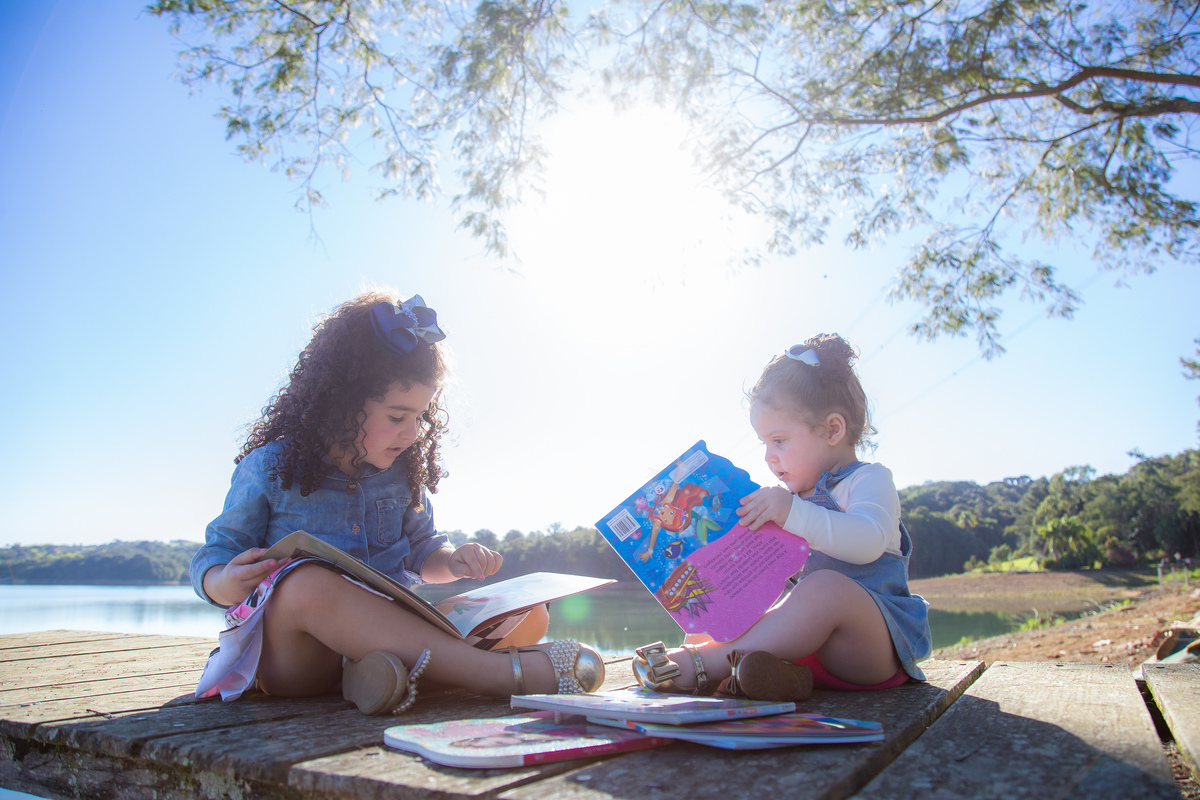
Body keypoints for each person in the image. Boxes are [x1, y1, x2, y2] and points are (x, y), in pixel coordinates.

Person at [191, 292, 603, 715]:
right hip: (297, 661)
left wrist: (452, 560)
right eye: (396, 417)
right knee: (304, 583)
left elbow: (424, 552)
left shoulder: (401, 473)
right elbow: (215, 553)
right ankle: (492, 675)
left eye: (421, 416)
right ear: (341, 405)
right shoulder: (271, 467)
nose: (412, 433)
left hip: (390, 634)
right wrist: (223, 581)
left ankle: (377, 675)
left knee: (528, 613)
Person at [631, 334, 930, 700]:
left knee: (825, 588)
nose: (770, 458)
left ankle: (702, 665)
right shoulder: (787, 502)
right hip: (806, 651)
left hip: (871, 648)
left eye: (780, 440)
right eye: (765, 444)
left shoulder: (868, 479)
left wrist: (792, 513)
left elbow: (867, 541)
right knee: (722, 614)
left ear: (833, 430)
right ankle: (760, 675)